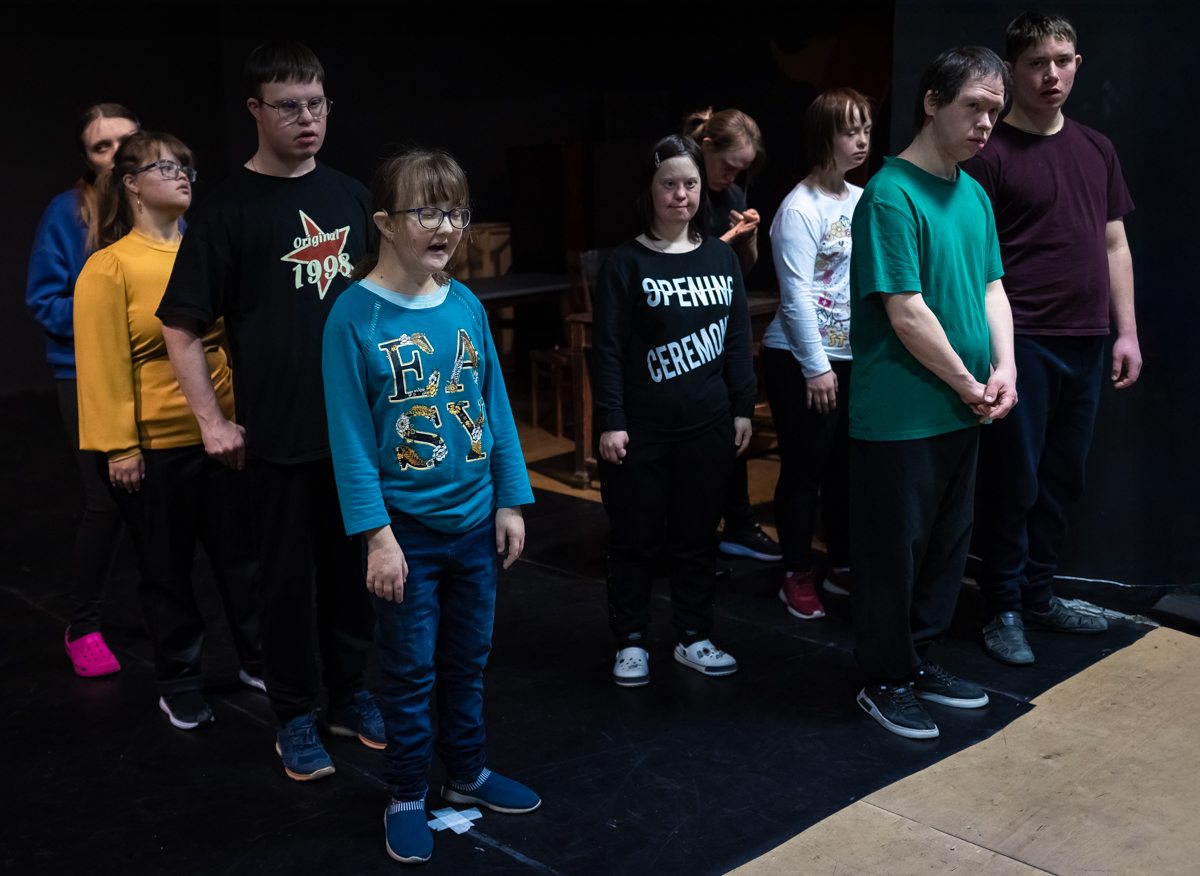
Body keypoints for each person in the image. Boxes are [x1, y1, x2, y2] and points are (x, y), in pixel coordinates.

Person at [157, 41, 381, 778]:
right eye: (289, 107)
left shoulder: (351, 195)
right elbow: (181, 324)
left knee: (354, 575)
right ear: (254, 109)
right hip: (279, 435)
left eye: (317, 103)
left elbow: (383, 304)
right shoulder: (226, 210)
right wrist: (211, 422)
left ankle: (350, 696)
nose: (307, 118)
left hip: (357, 433)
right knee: (285, 586)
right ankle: (294, 715)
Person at [323, 148, 540, 866]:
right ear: (385, 222)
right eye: (428, 211)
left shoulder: (465, 303)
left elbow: (494, 406)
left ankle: (467, 772)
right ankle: (407, 793)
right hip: (406, 532)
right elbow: (351, 440)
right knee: (411, 670)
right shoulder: (353, 316)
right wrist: (377, 537)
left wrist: (511, 499)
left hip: (475, 522)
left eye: (456, 212)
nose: (446, 226)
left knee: (467, 660)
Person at [849, 47, 1017, 739]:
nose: (986, 124)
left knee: (946, 549)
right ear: (932, 101)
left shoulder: (973, 194)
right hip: (901, 415)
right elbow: (907, 311)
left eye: (995, 113)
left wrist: (1005, 369)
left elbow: (993, 288)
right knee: (894, 555)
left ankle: (916, 661)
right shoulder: (890, 194)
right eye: (974, 106)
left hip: (962, 408)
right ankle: (883, 679)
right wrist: (970, 382)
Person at [962, 11, 1138, 666]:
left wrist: (1128, 333)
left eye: (1062, 61)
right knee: (1015, 483)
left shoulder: (1097, 148)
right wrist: (991, 353)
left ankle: (1039, 596)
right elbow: (972, 263)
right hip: (1023, 343)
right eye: (1037, 63)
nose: (1051, 75)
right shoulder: (988, 155)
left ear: (1077, 64)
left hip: (1087, 340)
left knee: (1062, 479)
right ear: (1012, 71)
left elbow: (1115, 244)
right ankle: (1002, 606)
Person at [74, 131, 263, 729]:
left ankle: (259, 660)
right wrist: (119, 447)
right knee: (167, 571)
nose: (182, 176)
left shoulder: (205, 251)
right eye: (166, 167)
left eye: (187, 167)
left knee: (243, 560)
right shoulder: (110, 266)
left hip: (224, 437)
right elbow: (101, 364)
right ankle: (179, 680)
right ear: (131, 183)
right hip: (155, 449)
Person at [593, 134, 756, 688]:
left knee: (697, 539)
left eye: (690, 183)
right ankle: (631, 641)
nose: (680, 194)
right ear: (651, 189)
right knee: (634, 541)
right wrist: (611, 420)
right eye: (669, 184)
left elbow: (737, 339)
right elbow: (608, 349)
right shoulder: (625, 262)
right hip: (640, 431)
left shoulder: (720, 257)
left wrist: (742, 406)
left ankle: (693, 635)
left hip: (707, 427)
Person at [26, 103, 138, 677]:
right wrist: (113, 314)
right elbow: (44, 301)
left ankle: (168, 615)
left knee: (165, 497)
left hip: (155, 371)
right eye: (102, 146)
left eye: (127, 140)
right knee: (106, 499)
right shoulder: (66, 212)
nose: (117, 154)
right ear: (87, 159)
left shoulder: (165, 204)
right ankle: (84, 624)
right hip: (86, 374)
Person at [764, 89, 873, 621]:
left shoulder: (861, 198)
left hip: (852, 358)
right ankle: (796, 575)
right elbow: (796, 296)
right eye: (850, 131)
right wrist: (816, 366)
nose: (862, 140)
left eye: (866, 129)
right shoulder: (798, 209)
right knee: (805, 470)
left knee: (846, 471)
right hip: (801, 359)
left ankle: (841, 565)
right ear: (823, 136)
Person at [684, 107, 783, 565]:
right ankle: (698, 538)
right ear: (705, 147)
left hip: (723, 323)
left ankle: (738, 524)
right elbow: (678, 268)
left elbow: (740, 270)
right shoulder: (682, 192)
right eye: (728, 165)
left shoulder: (732, 193)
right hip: (686, 330)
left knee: (734, 426)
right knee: (699, 436)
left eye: (741, 169)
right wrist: (725, 241)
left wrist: (748, 237)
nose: (732, 176)